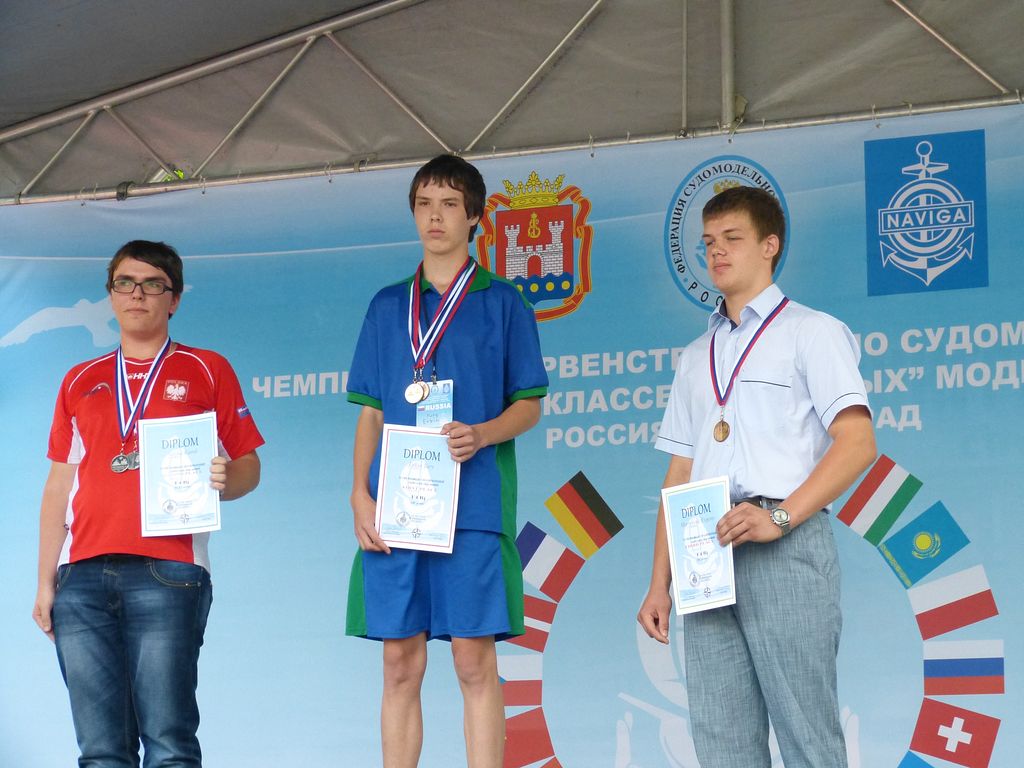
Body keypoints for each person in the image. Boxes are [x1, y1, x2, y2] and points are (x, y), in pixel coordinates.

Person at [637, 186, 876, 768]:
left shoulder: (811, 331)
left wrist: (781, 517)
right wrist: (659, 582)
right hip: (704, 551)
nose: (716, 252)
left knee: (807, 735)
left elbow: (858, 443)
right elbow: (679, 471)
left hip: (783, 541)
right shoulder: (695, 356)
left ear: (770, 245)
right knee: (721, 742)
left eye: (732, 239)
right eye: (708, 243)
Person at [345, 154, 548, 768]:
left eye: (450, 205)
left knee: (472, 660)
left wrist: (482, 434)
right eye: (425, 205)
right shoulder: (387, 306)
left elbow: (529, 405)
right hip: (397, 506)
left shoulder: (503, 302)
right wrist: (359, 493)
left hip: (473, 505)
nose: (435, 217)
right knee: (399, 662)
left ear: (475, 217)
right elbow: (371, 413)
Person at [32, 240, 263, 767]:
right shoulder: (79, 379)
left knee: (169, 744)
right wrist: (46, 583)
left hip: (170, 570)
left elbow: (249, 466)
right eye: (125, 283)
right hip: (81, 577)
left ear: (174, 299)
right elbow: (58, 485)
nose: (137, 294)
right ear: (111, 295)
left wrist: (226, 479)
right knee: (100, 751)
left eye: (152, 284)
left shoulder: (207, 368)